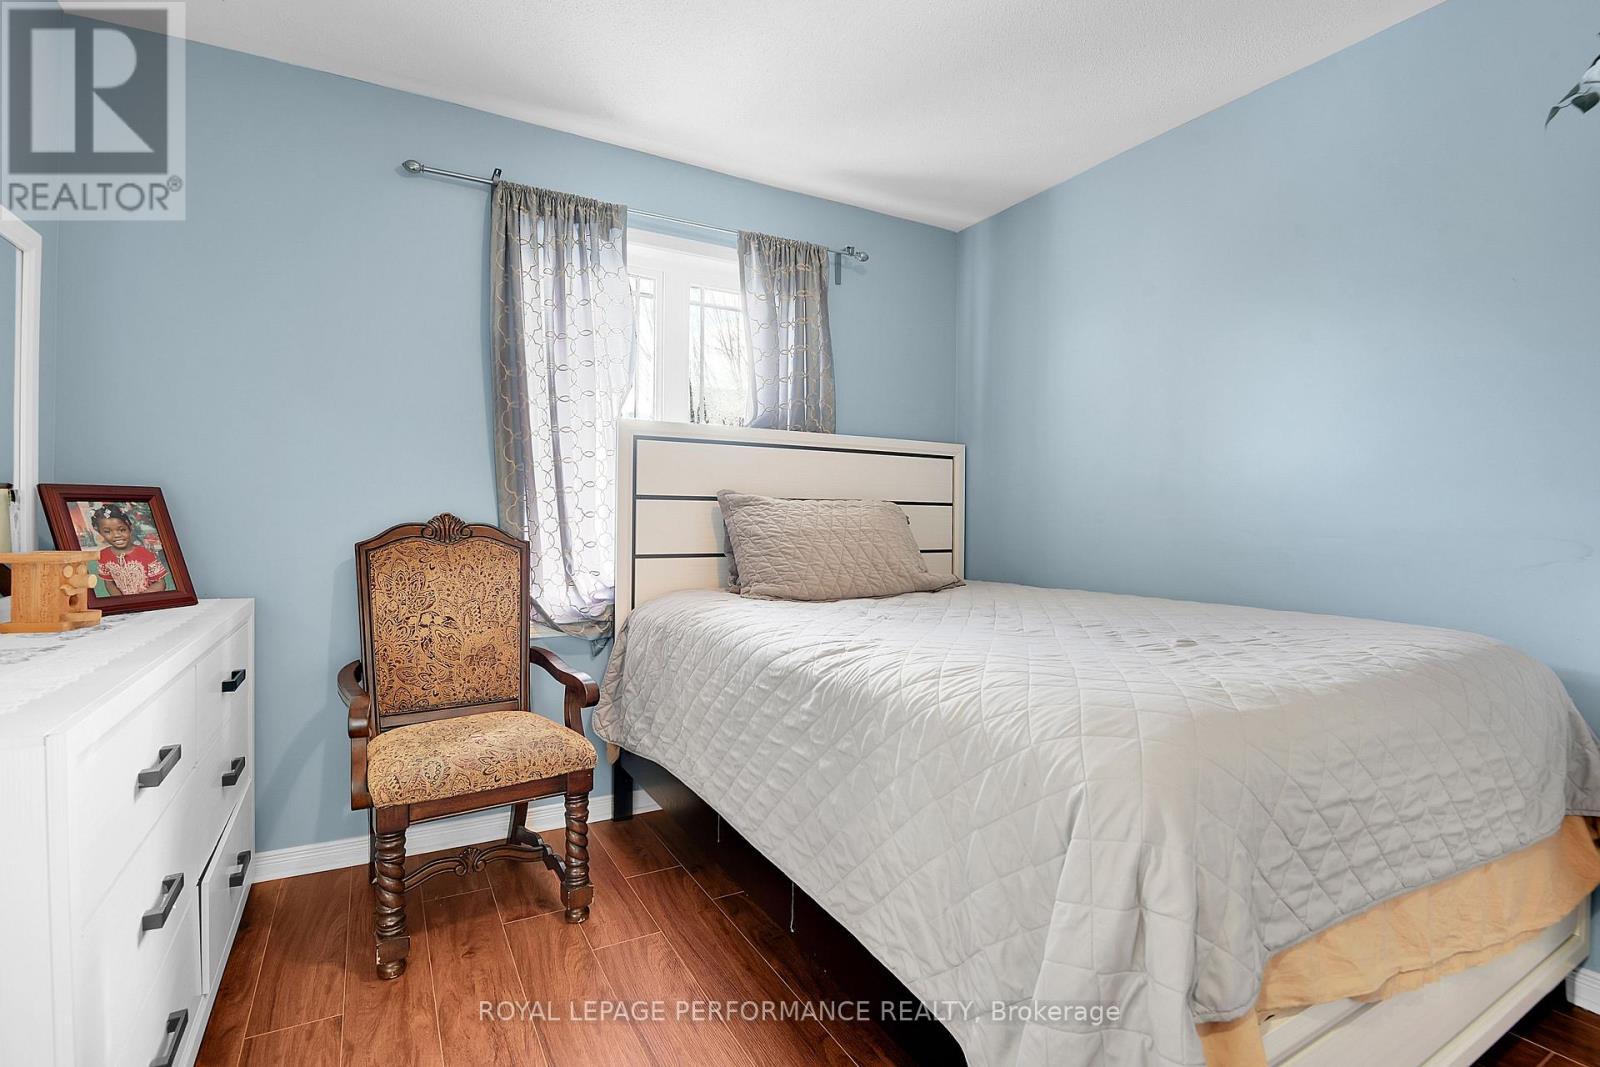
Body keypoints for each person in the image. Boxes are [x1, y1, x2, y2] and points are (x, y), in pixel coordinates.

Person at [89, 504, 169, 596]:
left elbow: (160, 583)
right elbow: (109, 583)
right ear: (99, 532)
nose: (116, 535)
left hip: (148, 602)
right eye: (107, 531)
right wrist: (122, 602)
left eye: (122, 530)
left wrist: (138, 600)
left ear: (130, 528)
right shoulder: (103, 555)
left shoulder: (146, 553)